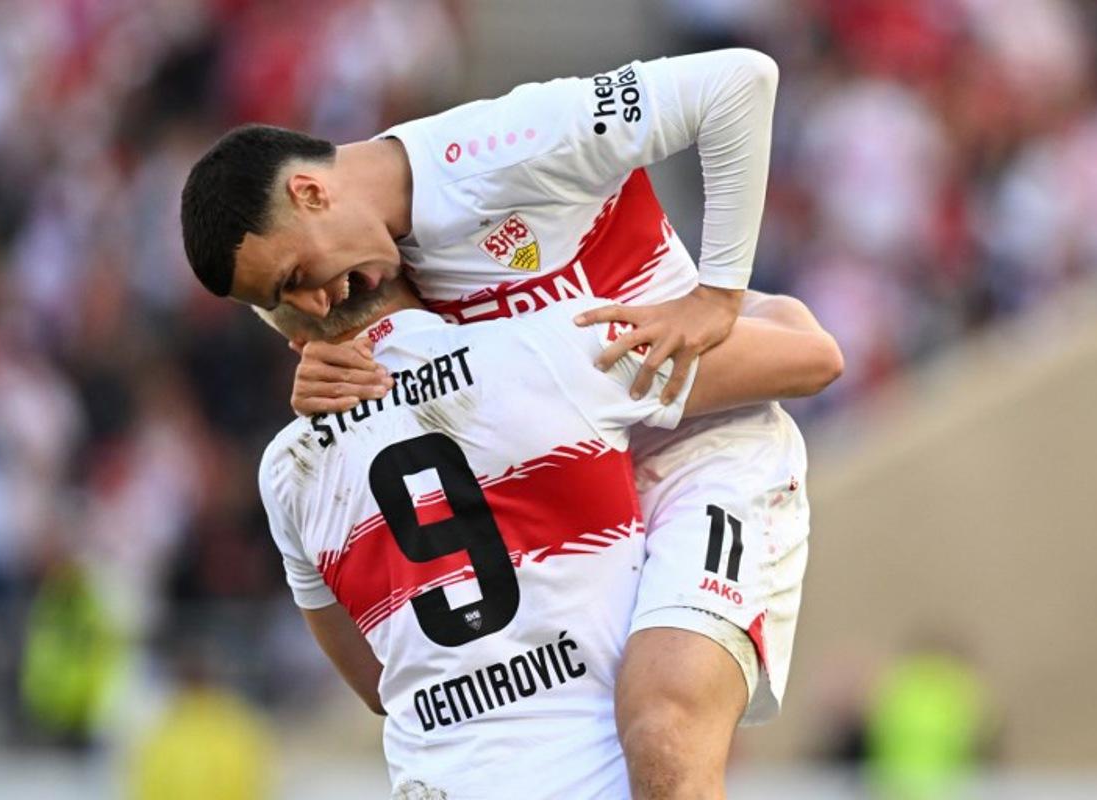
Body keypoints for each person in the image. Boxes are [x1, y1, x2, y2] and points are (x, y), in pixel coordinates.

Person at [183, 49, 805, 796]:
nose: (317, 303)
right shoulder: (378, 267)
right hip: (596, 448)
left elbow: (740, 81)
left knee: (661, 725)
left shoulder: (504, 145)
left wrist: (720, 296)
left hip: (708, 440)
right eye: (294, 306)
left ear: (311, 191)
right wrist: (325, 354)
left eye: (295, 280)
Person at [254, 276, 841, 798]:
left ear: (296, 340)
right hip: (599, 776)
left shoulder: (285, 469)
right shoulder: (549, 344)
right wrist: (690, 288)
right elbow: (812, 357)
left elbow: (376, 685)